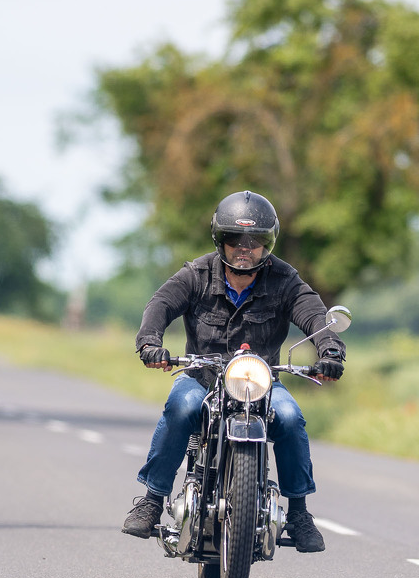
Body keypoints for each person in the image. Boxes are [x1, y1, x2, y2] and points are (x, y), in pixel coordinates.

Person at [122, 190, 346, 553]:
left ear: (267, 244)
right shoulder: (196, 274)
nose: (245, 249)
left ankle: (299, 513)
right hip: (202, 378)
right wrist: (150, 343)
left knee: (290, 418)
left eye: (255, 242)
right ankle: (151, 500)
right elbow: (160, 304)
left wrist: (330, 350)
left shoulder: (285, 280)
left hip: (262, 383)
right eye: (235, 240)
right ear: (220, 240)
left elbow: (315, 315)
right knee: (180, 407)